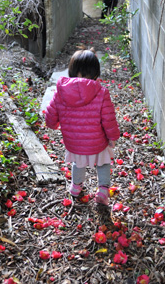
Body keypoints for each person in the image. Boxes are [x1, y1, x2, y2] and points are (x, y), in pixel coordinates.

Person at [44, 49, 120, 205]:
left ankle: (76, 187)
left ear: (73, 70)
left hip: (74, 142)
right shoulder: (101, 92)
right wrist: (112, 137)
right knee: (104, 161)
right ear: (95, 72)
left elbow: (51, 118)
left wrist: (54, 125)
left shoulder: (61, 92)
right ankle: (103, 190)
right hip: (97, 141)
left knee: (78, 162)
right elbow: (108, 119)